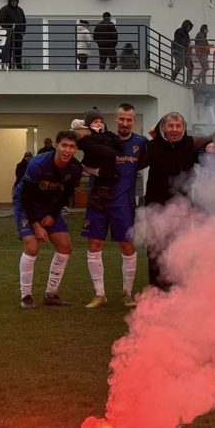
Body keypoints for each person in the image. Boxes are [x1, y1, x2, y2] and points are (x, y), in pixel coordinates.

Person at [81, 103, 149, 309]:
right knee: (94, 245)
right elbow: (82, 164)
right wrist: (99, 173)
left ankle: (127, 293)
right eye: (122, 119)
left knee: (127, 246)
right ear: (115, 119)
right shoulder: (103, 138)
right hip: (99, 200)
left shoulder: (141, 143)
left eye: (129, 119)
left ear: (134, 121)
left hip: (123, 203)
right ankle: (100, 294)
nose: (125, 123)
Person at [142, 112, 215, 289]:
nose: (174, 130)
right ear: (164, 127)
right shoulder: (151, 146)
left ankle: (177, 287)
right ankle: (156, 289)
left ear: (183, 128)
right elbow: (132, 165)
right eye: (170, 126)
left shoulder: (190, 144)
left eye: (178, 126)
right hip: (155, 207)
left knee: (180, 248)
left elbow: (214, 137)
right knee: (155, 249)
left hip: (182, 208)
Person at [12, 130, 83, 309]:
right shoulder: (38, 164)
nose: (67, 150)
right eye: (64, 145)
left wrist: (52, 215)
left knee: (65, 247)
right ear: (56, 146)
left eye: (72, 147)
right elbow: (26, 197)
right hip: (26, 203)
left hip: (49, 205)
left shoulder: (75, 168)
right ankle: (26, 296)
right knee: (32, 246)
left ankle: (51, 294)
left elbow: (65, 194)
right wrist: (36, 225)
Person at [0, 0, 26, 69]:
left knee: (18, 51)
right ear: (9, 1)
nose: (14, 2)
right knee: (8, 50)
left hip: (18, 34)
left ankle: (19, 66)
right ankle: (9, 66)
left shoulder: (20, 10)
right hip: (9, 34)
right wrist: (9, 28)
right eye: (12, 1)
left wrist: (23, 31)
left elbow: (24, 21)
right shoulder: (4, 9)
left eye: (15, 1)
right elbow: (1, 22)